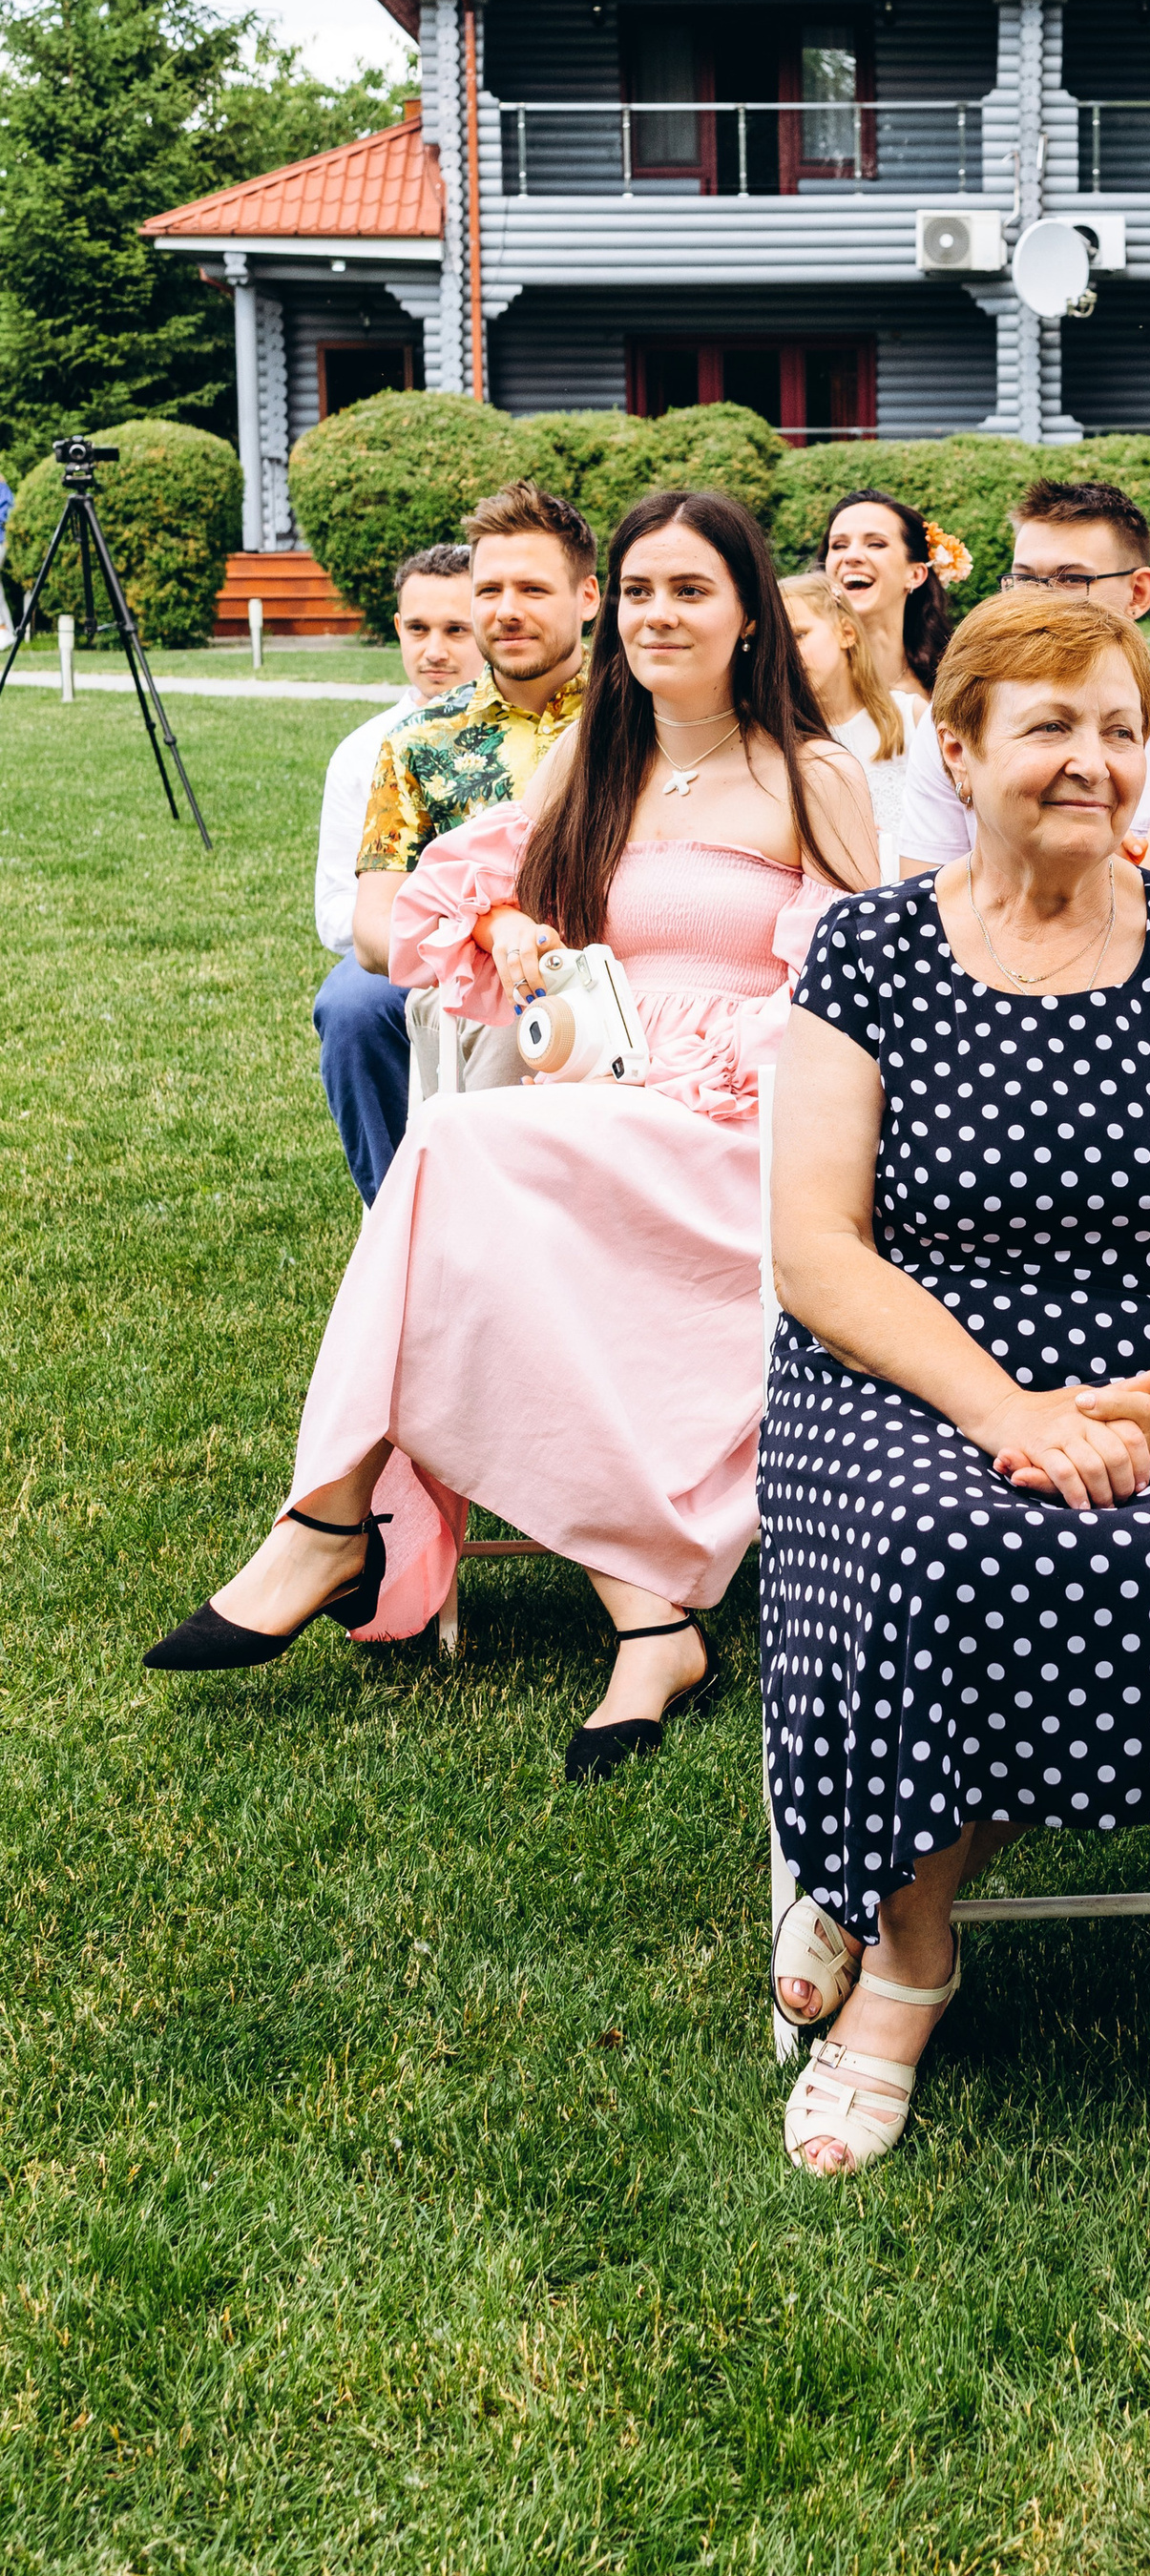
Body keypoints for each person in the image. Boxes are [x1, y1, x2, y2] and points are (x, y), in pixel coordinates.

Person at [144, 489, 880, 1779]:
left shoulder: (812, 772)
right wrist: (508, 926)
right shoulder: (595, 754)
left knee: (449, 1151)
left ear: (751, 616)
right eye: (640, 590)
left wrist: (715, 1064)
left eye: (691, 590)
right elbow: (441, 899)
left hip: (741, 1129)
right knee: (465, 1168)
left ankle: (329, 1521)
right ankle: (647, 1623)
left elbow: (863, 988)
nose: (658, 614)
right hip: (598, 1100)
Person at [758, 588, 1150, 2178]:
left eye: (1122, 728)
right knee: (949, 1542)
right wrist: (1004, 1412)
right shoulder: (871, 948)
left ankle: (875, 1868)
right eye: (1051, 726)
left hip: (1148, 1359)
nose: (1096, 759)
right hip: (898, 1360)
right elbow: (817, 1246)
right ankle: (912, 1956)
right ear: (957, 748)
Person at [334, 482, 602, 1162]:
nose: (507, 611)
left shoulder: (641, 714)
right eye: (489, 591)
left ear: (588, 598)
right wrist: (484, 931)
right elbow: (373, 931)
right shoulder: (419, 740)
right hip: (485, 1007)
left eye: (533, 590)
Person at [309, 546, 483, 1202]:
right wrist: (432, 927)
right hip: (407, 952)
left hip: (528, 943)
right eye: (418, 629)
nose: (434, 650)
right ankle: (393, 1210)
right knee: (350, 1005)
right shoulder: (363, 751)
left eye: (456, 629)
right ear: (397, 628)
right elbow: (336, 912)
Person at [895, 478, 1150, 876]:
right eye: (1025, 581)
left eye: (1072, 579)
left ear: (1139, 593)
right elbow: (924, 887)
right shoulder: (961, 715)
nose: (1041, 600)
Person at [779, 568, 918, 868]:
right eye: (778, 644)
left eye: (799, 635)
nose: (787, 653)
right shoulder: (779, 740)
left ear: (846, 633)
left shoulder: (912, 717)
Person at [822, 489, 957, 702]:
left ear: (915, 575)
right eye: (839, 546)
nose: (851, 556)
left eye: (876, 544)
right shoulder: (800, 680)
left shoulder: (949, 687)